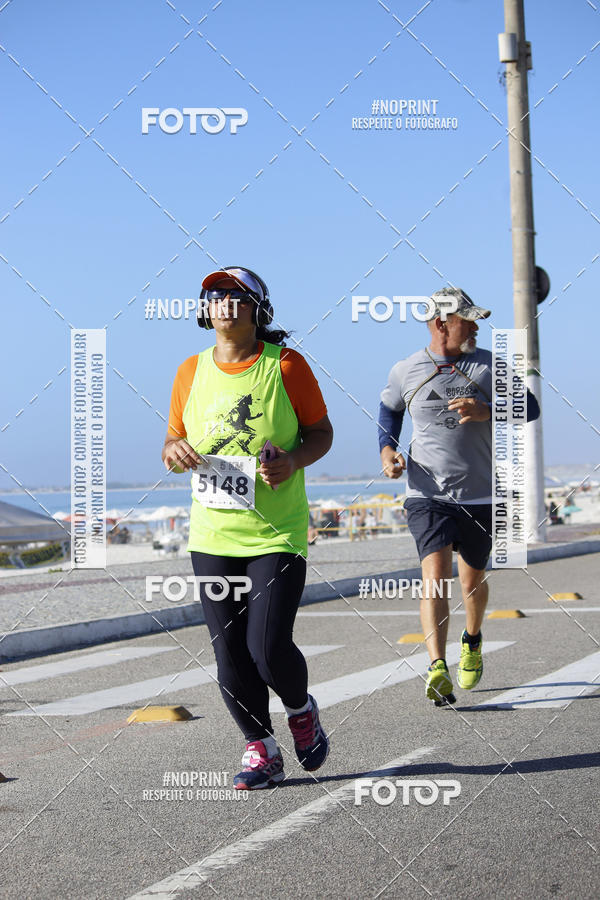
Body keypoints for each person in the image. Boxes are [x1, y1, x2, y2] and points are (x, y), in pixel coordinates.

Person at [162, 266, 334, 789]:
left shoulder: (286, 366)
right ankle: (259, 748)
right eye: (215, 296)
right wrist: (175, 451)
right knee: (229, 651)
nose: (225, 304)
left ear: (258, 309)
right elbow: (171, 446)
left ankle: (301, 710)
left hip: (275, 533)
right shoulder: (190, 371)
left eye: (237, 297)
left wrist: (292, 460)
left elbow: (321, 433)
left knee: (267, 647)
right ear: (204, 309)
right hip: (212, 535)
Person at [378, 287, 540, 705]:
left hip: (480, 493)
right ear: (440, 324)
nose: (475, 326)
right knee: (434, 575)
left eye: (475, 319)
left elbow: (531, 407)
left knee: (471, 581)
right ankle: (436, 665)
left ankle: (472, 638)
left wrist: (489, 411)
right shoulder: (407, 369)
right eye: (466, 319)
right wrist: (387, 449)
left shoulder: (489, 365)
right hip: (426, 491)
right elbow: (389, 410)